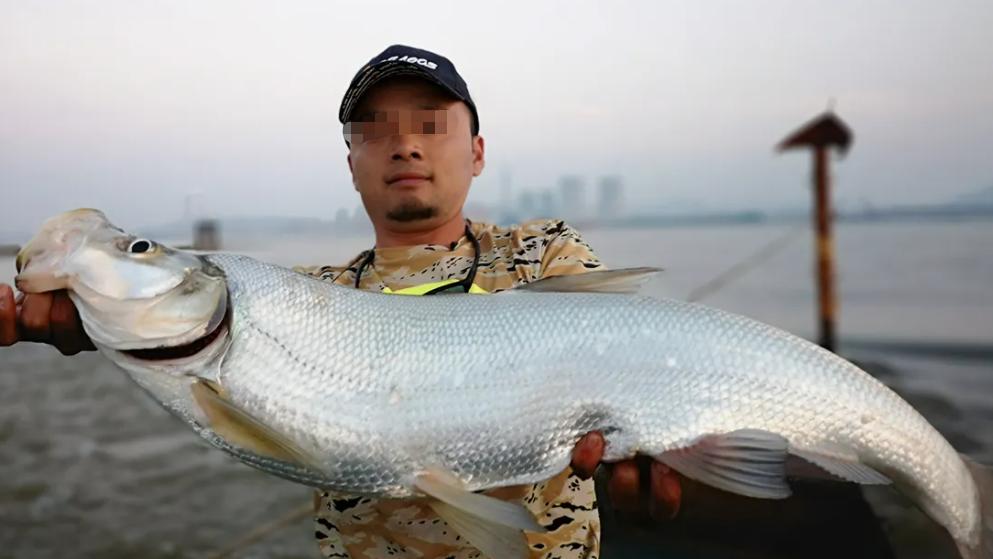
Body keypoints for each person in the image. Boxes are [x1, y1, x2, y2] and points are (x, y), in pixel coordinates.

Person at [0, 44, 679, 559]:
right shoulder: (315, 294)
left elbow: (628, 355)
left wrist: (678, 461)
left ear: (475, 152)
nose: (404, 142)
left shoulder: (545, 255)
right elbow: (214, 341)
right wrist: (89, 322)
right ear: (350, 161)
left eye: (431, 124)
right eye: (375, 129)